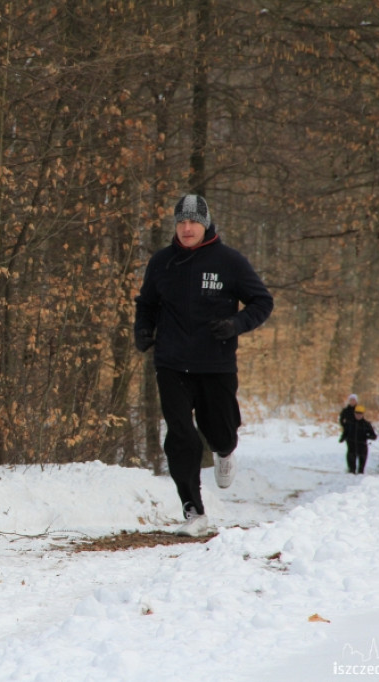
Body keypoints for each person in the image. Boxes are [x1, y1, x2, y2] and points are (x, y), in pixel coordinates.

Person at [134, 194, 274, 537]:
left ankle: (225, 450)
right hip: (171, 363)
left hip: (216, 363)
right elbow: (147, 303)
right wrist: (142, 329)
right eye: (181, 222)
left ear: (206, 223)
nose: (186, 228)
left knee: (220, 430)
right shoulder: (162, 262)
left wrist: (235, 325)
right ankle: (193, 511)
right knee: (181, 436)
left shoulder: (230, 262)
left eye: (193, 222)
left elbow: (262, 301)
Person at [339, 404, 376, 474]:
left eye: (360, 414)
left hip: (362, 446)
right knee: (351, 467)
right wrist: (342, 438)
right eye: (357, 413)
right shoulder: (349, 423)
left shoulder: (366, 424)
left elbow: (373, 436)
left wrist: (367, 436)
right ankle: (351, 474)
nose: (358, 415)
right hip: (351, 446)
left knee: (361, 468)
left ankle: (360, 477)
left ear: (362, 414)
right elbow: (345, 432)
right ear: (354, 413)